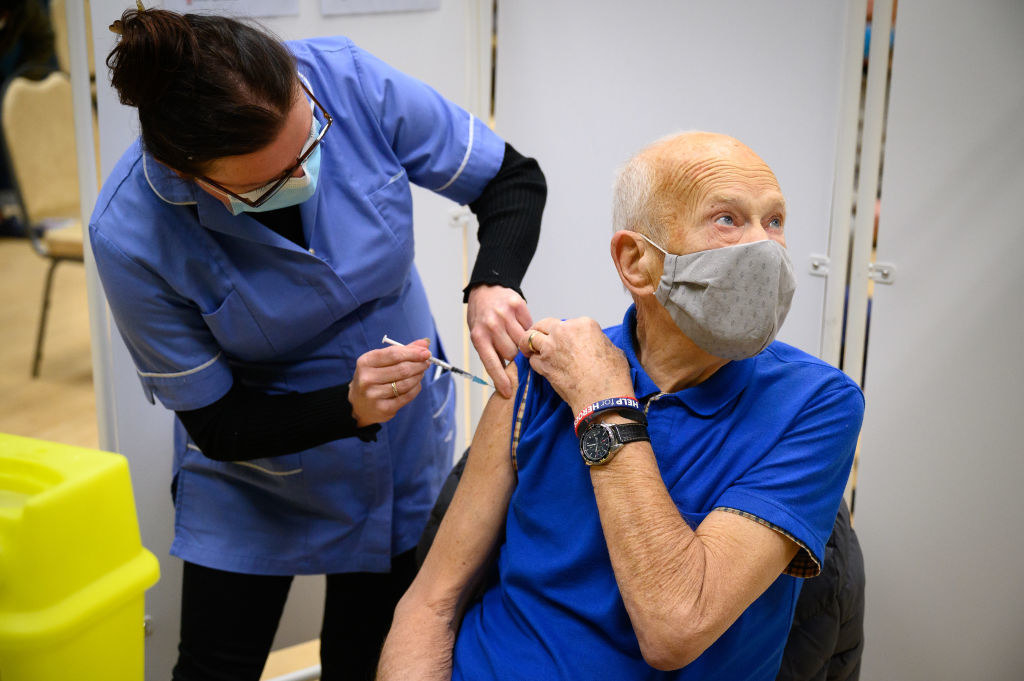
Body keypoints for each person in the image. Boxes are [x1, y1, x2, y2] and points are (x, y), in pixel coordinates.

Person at [89, 6, 544, 681]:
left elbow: (512, 180)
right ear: (192, 177)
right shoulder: (129, 232)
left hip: (400, 447)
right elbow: (217, 421)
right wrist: (347, 408)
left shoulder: (343, 78)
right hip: (253, 470)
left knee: (368, 656)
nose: (308, 174)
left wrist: (492, 282)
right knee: (216, 664)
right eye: (273, 179)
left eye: (312, 140)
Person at [378, 131, 863, 681]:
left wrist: (603, 402)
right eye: (727, 220)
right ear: (636, 262)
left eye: (774, 222)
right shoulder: (543, 370)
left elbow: (675, 625)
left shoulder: (816, 403)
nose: (766, 249)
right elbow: (430, 605)